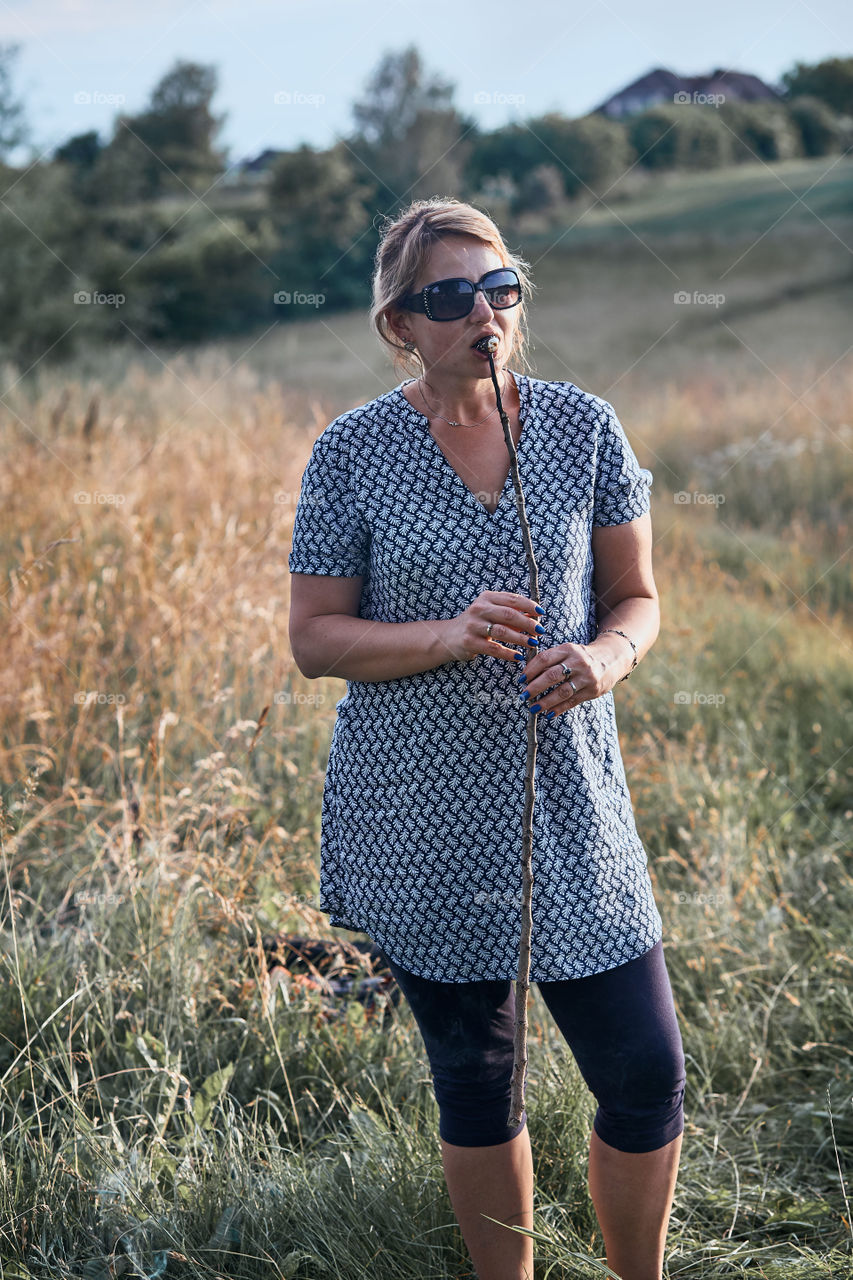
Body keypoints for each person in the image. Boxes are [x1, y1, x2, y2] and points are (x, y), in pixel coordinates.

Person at [287, 196, 685, 1280]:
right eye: (452, 295)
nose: (484, 312)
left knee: (645, 1074)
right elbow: (314, 640)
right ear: (399, 324)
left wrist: (605, 657)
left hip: (573, 811)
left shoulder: (583, 427)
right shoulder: (352, 451)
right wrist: (448, 635)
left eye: (500, 287)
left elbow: (637, 597)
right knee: (477, 1083)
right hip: (423, 816)